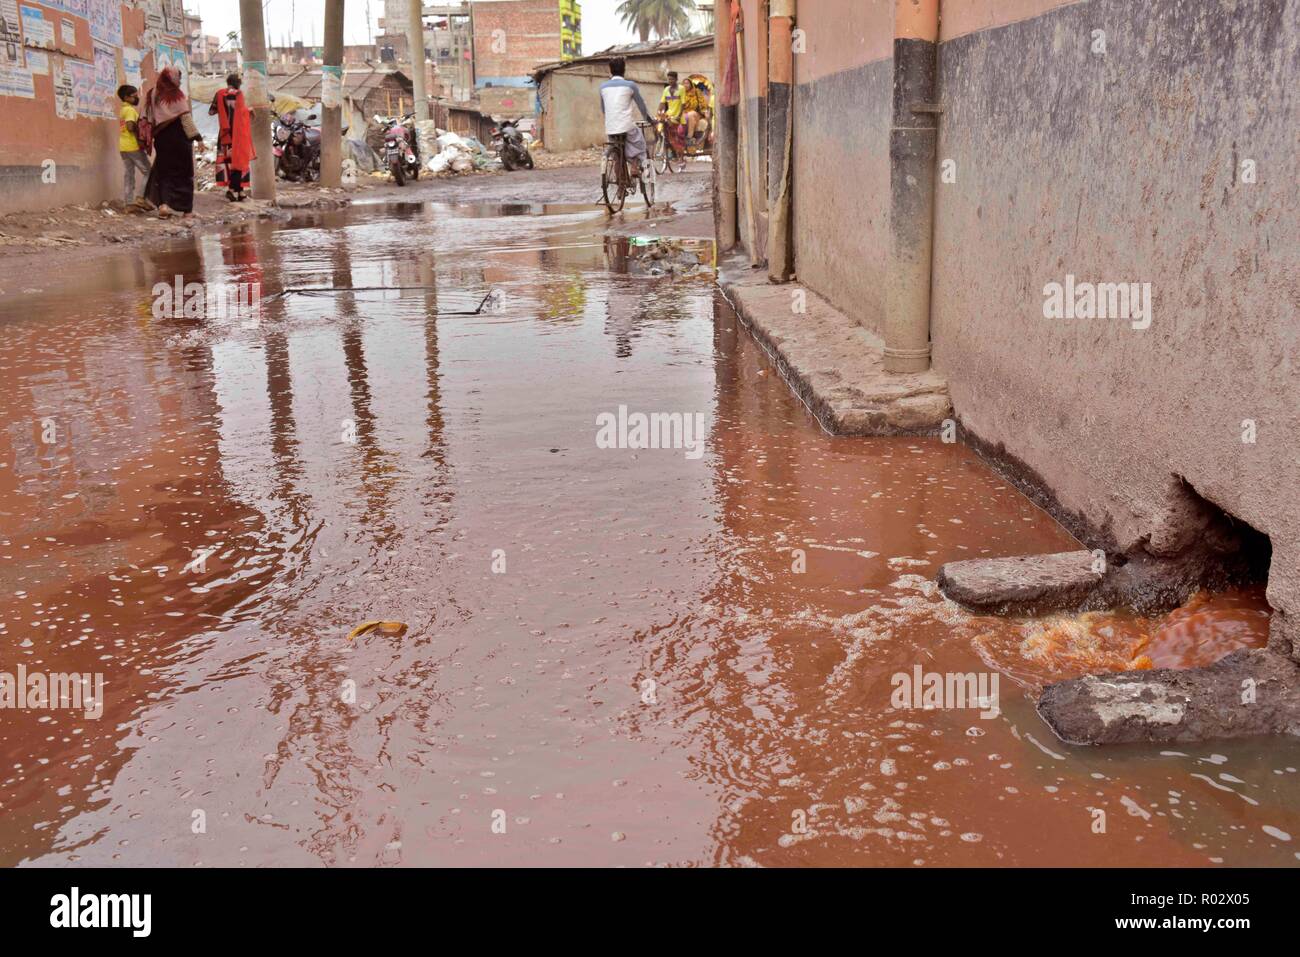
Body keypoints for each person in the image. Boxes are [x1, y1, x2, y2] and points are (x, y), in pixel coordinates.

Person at [141, 66, 203, 219]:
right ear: (173, 78)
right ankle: (187, 211)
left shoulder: (153, 93)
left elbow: (147, 115)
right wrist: (198, 138)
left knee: (164, 172)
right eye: (179, 78)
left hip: (161, 138)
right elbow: (185, 118)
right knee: (184, 172)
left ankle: (163, 205)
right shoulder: (176, 94)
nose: (180, 81)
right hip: (179, 138)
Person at [599, 56, 652, 177]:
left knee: (617, 156)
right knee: (639, 142)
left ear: (610, 70)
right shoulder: (630, 85)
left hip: (611, 127)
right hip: (626, 125)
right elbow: (641, 106)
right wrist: (649, 119)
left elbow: (603, 109)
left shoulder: (603, 87)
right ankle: (634, 165)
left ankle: (620, 188)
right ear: (624, 70)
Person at [209, 73, 255, 202]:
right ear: (238, 83)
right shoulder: (238, 94)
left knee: (228, 163)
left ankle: (239, 192)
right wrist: (249, 110)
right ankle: (233, 191)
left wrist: (223, 109)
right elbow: (241, 113)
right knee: (239, 162)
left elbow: (211, 112)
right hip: (237, 134)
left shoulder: (219, 94)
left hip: (224, 134)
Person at [117, 84, 151, 208]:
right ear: (126, 97)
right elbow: (130, 126)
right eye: (134, 96)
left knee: (129, 175)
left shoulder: (123, 109)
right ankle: (141, 197)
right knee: (149, 171)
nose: (137, 98)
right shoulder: (130, 110)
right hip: (133, 146)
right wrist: (143, 129)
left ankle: (129, 204)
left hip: (123, 147)